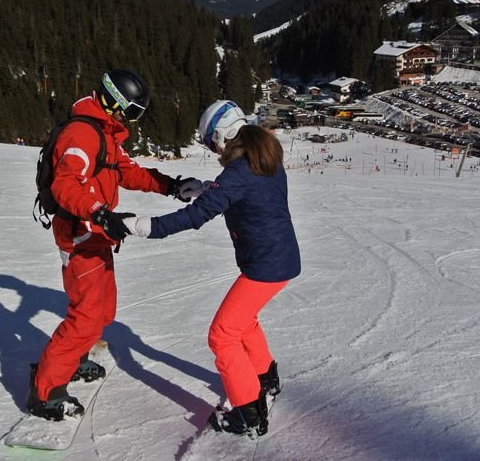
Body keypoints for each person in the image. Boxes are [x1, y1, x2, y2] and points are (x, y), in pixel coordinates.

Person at [27, 69, 203, 421]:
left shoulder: (103, 134)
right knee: (87, 317)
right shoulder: (82, 134)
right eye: (132, 111)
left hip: (96, 233)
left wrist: (170, 186)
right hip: (79, 234)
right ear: (115, 103)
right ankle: (46, 392)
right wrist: (99, 212)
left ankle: (72, 360)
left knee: (103, 310)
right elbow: (65, 185)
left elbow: (127, 171)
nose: (132, 120)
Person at [123, 100, 301, 436]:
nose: (213, 150)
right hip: (278, 259)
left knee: (221, 335)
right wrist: (207, 189)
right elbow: (246, 192)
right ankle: (265, 380)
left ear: (220, 137)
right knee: (243, 322)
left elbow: (197, 215)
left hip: (265, 265)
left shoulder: (239, 172)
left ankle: (249, 414)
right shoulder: (265, 157)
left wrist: (141, 226)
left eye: (209, 143)